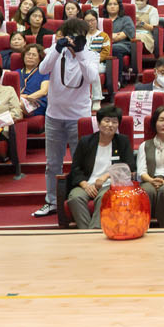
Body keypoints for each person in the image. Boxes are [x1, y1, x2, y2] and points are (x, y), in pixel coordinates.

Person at [34, 17, 100, 220]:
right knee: (52, 163)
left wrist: (79, 53)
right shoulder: (55, 51)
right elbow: (43, 69)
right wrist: (57, 48)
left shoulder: (90, 54)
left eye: (78, 36)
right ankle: (52, 201)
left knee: (82, 162)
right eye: (70, 36)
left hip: (79, 118)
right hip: (54, 116)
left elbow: (92, 78)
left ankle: (80, 198)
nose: (73, 40)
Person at [64, 106, 137, 229]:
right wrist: (85, 185)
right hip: (87, 184)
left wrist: (106, 176)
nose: (110, 125)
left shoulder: (122, 141)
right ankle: (87, 233)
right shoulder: (86, 142)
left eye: (114, 122)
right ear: (98, 123)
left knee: (104, 197)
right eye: (107, 121)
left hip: (110, 184)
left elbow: (129, 166)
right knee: (74, 198)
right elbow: (75, 168)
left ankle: (94, 230)